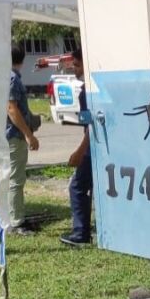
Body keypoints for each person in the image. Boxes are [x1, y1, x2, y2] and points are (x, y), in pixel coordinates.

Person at [61, 48, 93, 246]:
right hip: (97, 145)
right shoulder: (91, 87)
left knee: (77, 187)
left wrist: (80, 151)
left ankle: (80, 233)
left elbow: (91, 124)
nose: (73, 68)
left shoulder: (86, 91)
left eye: (76, 64)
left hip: (92, 147)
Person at [6, 44, 39, 235]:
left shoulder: (7, 77)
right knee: (16, 179)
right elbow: (12, 109)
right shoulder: (12, 79)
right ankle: (16, 222)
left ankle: (14, 216)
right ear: (22, 59)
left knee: (13, 178)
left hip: (11, 134)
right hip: (15, 135)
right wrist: (28, 134)